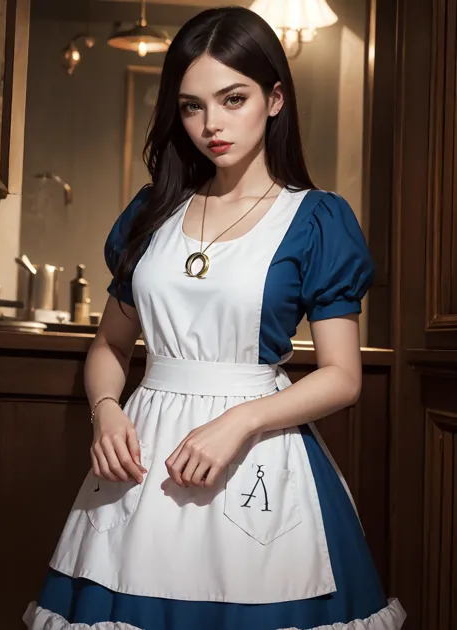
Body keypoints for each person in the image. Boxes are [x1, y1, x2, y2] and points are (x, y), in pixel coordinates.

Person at [23, 6, 406, 630]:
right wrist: (106, 410)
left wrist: (240, 421)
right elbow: (110, 347)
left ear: (275, 98)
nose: (211, 125)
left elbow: (342, 376)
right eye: (192, 106)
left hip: (261, 451)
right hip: (143, 464)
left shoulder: (316, 220)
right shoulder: (152, 212)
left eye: (233, 99)